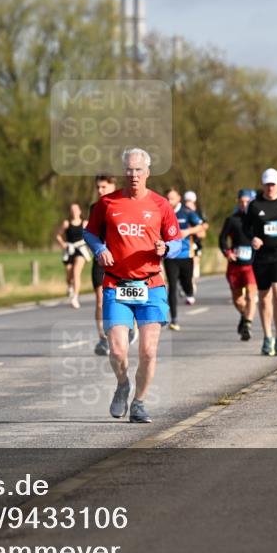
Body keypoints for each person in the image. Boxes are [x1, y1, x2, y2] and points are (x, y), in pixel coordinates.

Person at [83, 148, 181, 424]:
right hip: (117, 285)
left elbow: (178, 242)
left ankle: (139, 402)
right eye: (129, 170)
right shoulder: (107, 204)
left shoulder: (161, 205)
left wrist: (167, 247)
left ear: (148, 172)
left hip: (150, 286)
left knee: (148, 351)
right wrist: (99, 248)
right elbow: (89, 232)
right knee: (117, 350)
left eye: (139, 170)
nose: (134, 175)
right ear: (123, 172)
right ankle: (123, 384)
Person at [245, 168, 277, 356]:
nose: (270, 188)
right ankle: (268, 338)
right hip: (262, 257)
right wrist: (253, 238)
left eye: (273, 184)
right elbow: (245, 228)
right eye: (267, 184)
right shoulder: (255, 205)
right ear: (263, 185)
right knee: (265, 298)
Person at [164, 188, 207, 331]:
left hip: (186, 255)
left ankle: (189, 292)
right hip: (170, 255)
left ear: (178, 198)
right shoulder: (163, 212)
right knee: (171, 286)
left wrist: (187, 231)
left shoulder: (187, 212)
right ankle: (174, 319)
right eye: (167, 198)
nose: (169, 201)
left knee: (187, 282)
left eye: (172, 198)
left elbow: (202, 226)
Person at [218, 188, 258, 341]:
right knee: (238, 299)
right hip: (235, 266)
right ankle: (244, 314)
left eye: (247, 202)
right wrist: (227, 252)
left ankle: (247, 324)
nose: (244, 204)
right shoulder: (232, 220)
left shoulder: (257, 220)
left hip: (251, 266)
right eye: (241, 201)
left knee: (250, 295)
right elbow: (222, 239)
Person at [89, 175, 118, 356]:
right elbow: (91, 233)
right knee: (100, 301)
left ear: (113, 186)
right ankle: (103, 338)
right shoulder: (94, 208)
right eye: (98, 187)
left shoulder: (123, 204)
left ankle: (130, 329)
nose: (100, 190)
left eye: (104, 187)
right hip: (100, 260)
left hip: (121, 262)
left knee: (126, 298)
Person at [56, 202, 91, 309]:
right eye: (72, 210)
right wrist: (63, 244)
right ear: (70, 212)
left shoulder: (85, 223)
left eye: (76, 209)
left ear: (80, 211)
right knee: (69, 274)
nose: (74, 211)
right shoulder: (66, 223)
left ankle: (75, 297)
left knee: (76, 273)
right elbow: (58, 235)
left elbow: (91, 235)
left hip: (80, 250)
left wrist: (91, 245)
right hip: (69, 249)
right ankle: (69, 285)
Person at [183, 190, 207, 296]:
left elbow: (204, 229)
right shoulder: (181, 211)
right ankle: (186, 284)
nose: (188, 203)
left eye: (190, 201)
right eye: (187, 201)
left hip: (195, 244)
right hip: (183, 244)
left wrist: (195, 230)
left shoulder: (199, 212)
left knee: (194, 267)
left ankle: (191, 283)